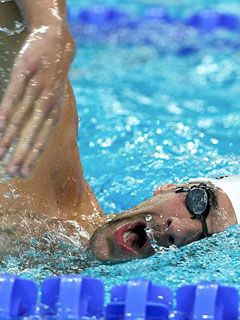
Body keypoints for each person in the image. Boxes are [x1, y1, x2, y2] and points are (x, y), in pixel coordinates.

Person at [0, 0, 238, 263]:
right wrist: (50, 25)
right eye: (199, 202)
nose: (179, 230)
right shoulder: (41, 181)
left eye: (204, 241)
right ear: (170, 188)